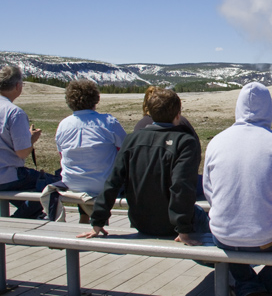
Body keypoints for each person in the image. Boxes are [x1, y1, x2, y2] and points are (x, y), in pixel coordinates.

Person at [203, 82, 272, 296]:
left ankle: (248, 287)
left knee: (229, 238)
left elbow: (209, 192)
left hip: (222, 235)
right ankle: (254, 290)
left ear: (237, 106)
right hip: (268, 239)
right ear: (269, 108)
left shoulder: (216, 142)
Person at [78, 88, 209, 245]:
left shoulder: (132, 139)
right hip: (172, 225)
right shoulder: (185, 142)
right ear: (178, 114)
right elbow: (181, 186)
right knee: (217, 235)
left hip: (140, 221)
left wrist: (98, 221)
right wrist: (183, 228)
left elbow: (113, 181)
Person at [49, 79, 126, 223]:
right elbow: (125, 150)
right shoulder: (108, 121)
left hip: (72, 182)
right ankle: (101, 223)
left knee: (82, 171)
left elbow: (62, 155)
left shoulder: (63, 125)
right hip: (103, 183)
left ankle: (84, 217)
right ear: (95, 98)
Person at [0, 65, 60, 218]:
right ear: (18, 86)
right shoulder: (14, 112)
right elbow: (22, 152)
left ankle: (31, 217)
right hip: (8, 175)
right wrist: (31, 139)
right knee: (54, 184)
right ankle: (17, 222)